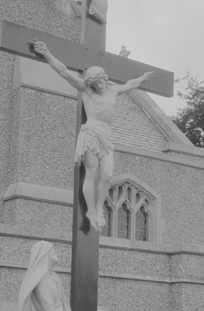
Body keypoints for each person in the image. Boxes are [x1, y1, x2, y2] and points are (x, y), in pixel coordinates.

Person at [33, 40, 154, 231]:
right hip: (90, 134)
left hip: (107, 138)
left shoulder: (113, 90)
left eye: (101, 81)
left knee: (107, 174)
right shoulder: (86, 90)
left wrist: (142, 78)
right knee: (91, 172)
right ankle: (91, 211)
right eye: (96, 84)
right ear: (91, 85)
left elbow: (130, 85)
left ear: (105, 78)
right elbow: (63, 71)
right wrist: (46, 53)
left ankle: (99, 207)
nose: (100, 85)